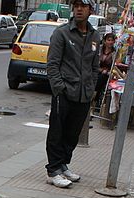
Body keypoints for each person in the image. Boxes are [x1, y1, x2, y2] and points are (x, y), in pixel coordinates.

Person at [44, 0, 99, 188]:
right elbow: (52, 64)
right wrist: (59, 88)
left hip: (84, 94)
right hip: (65, 92)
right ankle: (53, 170)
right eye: (76, 6)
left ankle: (63, 164)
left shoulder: (94, 35)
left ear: (90, 10)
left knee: (73, 133)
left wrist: (91, 88)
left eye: (83, 6)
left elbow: (94, 66)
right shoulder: (62, 33)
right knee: (57, 132)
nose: (79, 9)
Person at [94, 32, 114, 111]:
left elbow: (114, 65)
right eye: (108, 40)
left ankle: (95, 98)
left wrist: (107, 71)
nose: (110, 42)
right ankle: (95, 98)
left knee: (101, 79)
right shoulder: (99, 50)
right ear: (105, 41)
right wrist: (101, 70)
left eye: (112, 40)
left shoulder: (114, 52)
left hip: (106, 74)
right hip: (96, 71)